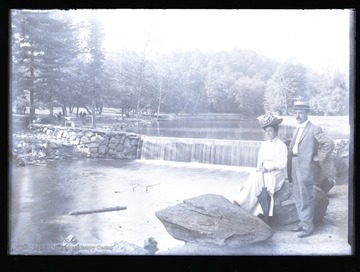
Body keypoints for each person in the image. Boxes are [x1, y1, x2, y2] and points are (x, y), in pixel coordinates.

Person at [288, 99, 334, 238]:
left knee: (306, 197)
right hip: (294, 164)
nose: (297, 115)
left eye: (300, 113)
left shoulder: (314, 129)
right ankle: (303, 223)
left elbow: (329, 143)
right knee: (297, 196)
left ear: (307, 113)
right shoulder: (297, 128)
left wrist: (318, 157)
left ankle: (308, 228)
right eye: (295, 113)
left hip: (306, 167)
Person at [234, 113, 288, 222]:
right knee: (253, 176)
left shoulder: (281, 145)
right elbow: (260, 159)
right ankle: (242, 203)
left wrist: (269, 169)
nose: (268, 134)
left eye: (270, 131)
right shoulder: (264, 144)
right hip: (264, 170)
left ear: (276, 131)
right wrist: (259, 166)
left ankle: (243, 205)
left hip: (276, 172)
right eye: (266, 131)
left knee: (258, 179)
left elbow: (282, 164)